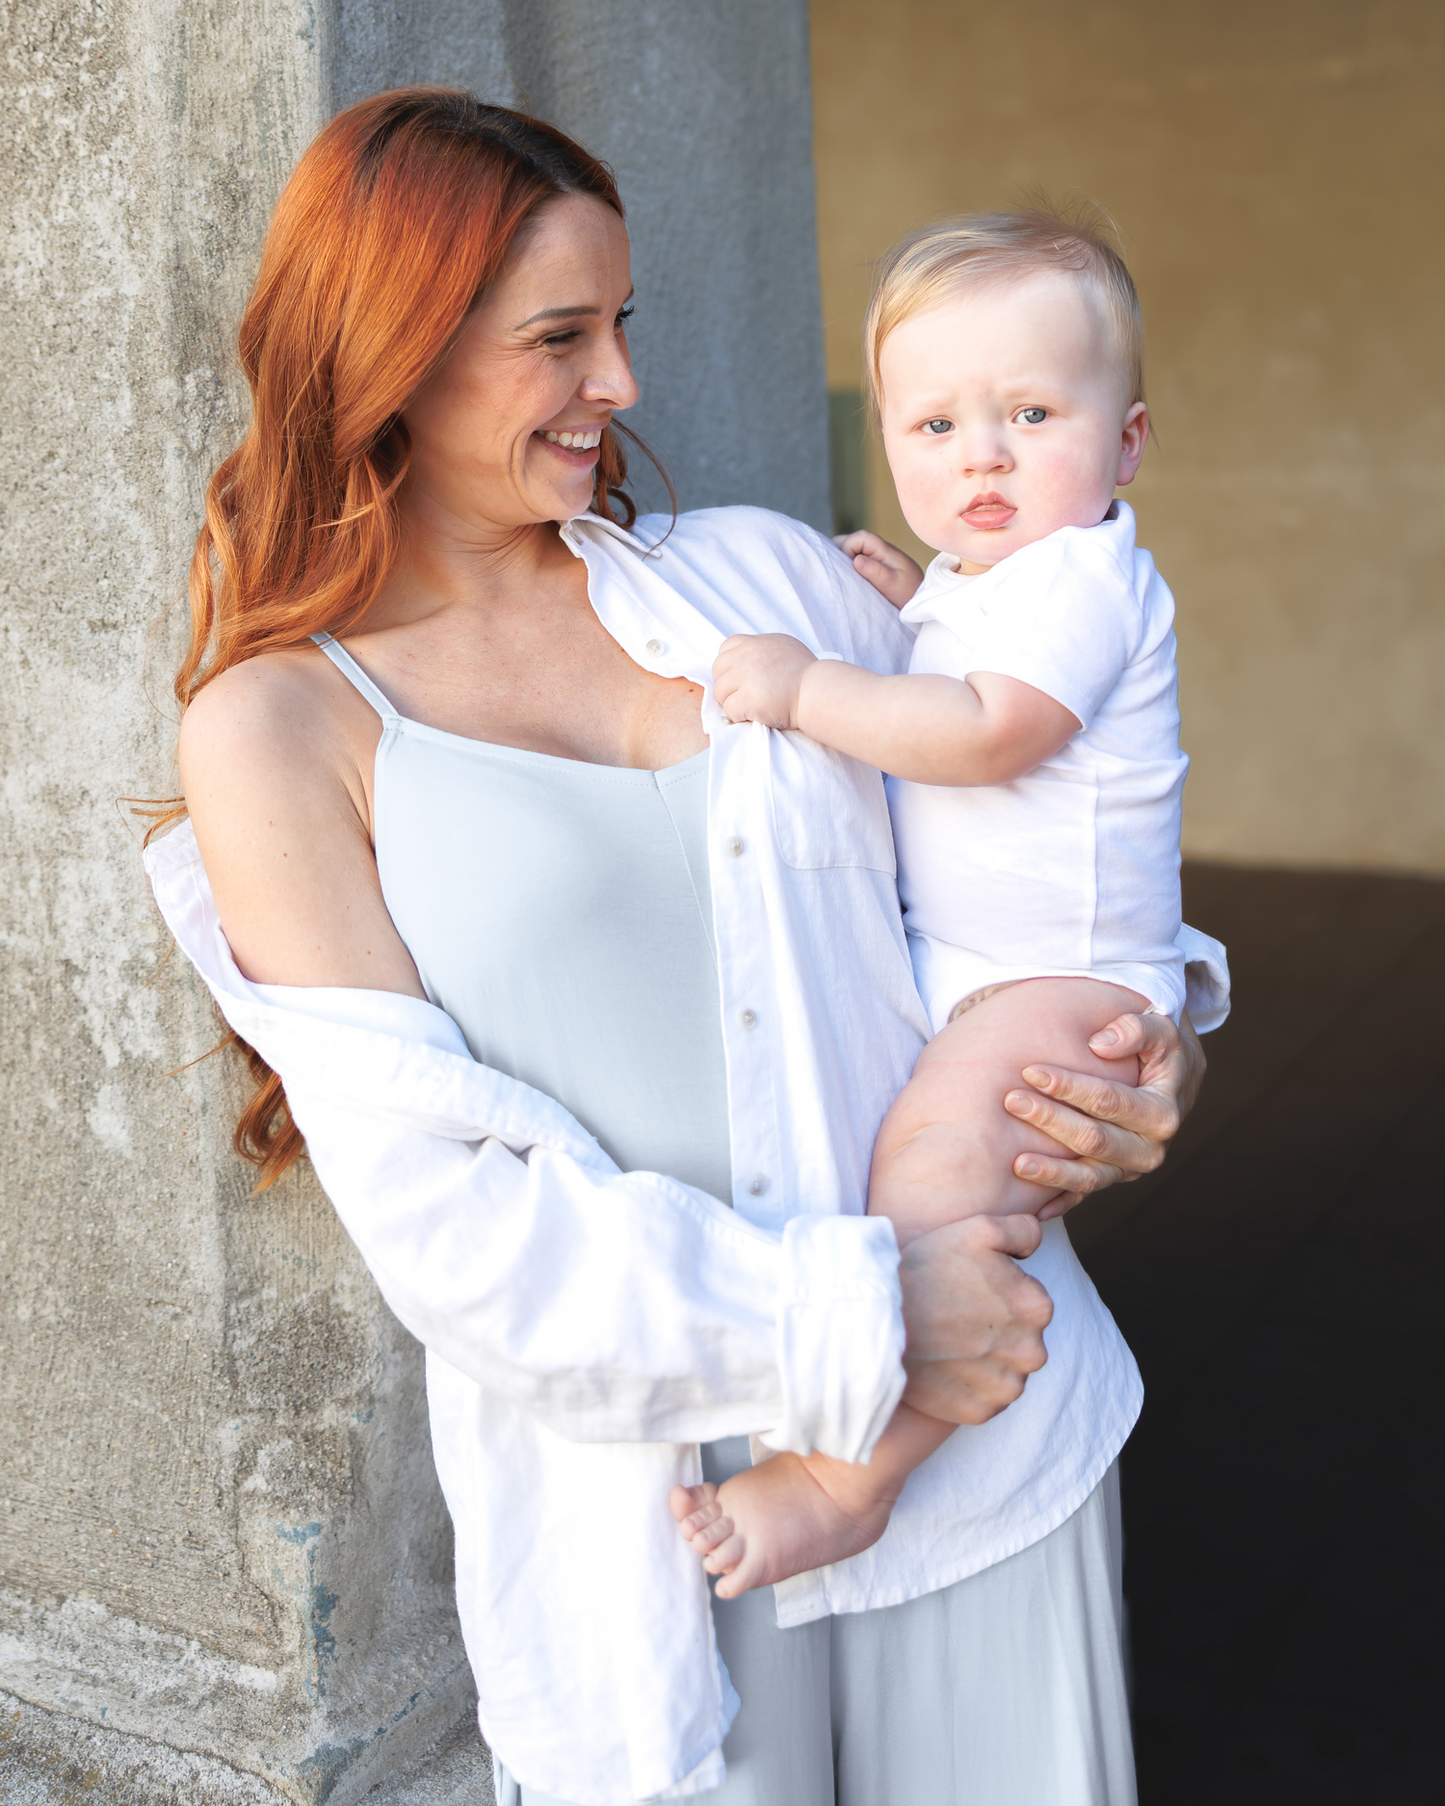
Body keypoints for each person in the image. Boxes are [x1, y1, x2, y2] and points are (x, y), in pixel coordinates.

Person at [146, 90, 1221, 1806]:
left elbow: (1045, 850)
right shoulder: (278, 729)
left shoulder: (762, 582)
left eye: (623, 322)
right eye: (561, 336)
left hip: (991, 1439)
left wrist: (1149, 1056)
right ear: (395, 350)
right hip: (663, 1545)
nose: (625, 385)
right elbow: (454, 1237)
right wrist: (867, 1313)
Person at [669, 210, 1219, 1602]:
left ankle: (856, 1481)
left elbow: (986, 735)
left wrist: (806, 687)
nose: (981, 453)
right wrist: (920, 605)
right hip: (1004, 964)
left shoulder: (1089, 576)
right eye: (934, 425)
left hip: (1061, 976)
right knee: (926, 1175)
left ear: (1128, 442)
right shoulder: (993, 588)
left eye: (1031, 412)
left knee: (928, 1184)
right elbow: (974, 663)